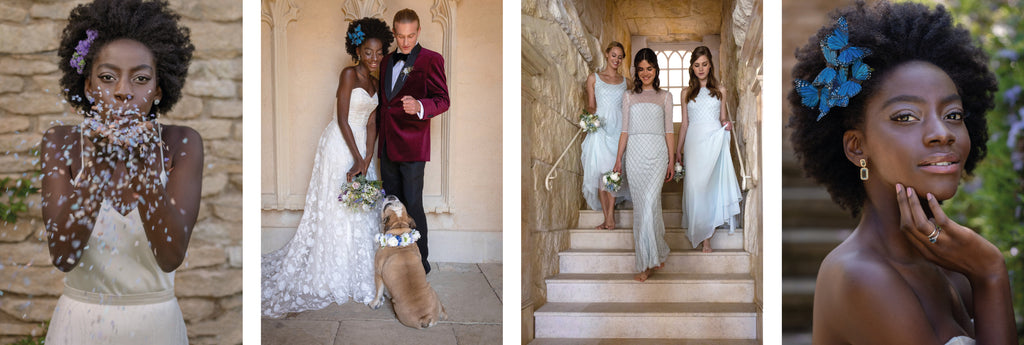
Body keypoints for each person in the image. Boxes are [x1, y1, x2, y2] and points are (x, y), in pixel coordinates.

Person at [788, 2, 1015, 344]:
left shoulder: (953, 268)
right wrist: (991, 273)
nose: (943, 132)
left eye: (954, 114)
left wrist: (984, 274)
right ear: (856, 147)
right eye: (906, 117)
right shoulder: (861, 277)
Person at [40, 0, 203, 343]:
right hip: (79, 325)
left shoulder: (181, 143)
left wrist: (142, 162)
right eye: (107, 77)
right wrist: (101, 160)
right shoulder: (61, 142)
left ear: (159, 89)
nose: (123, 91)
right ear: (87, 86)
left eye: (141, 78)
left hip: (155, 326)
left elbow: (170, 256)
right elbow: (64, 255)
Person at [261, 17, 392, 317]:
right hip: (340, 145)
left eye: (379, 53)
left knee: (360, 208)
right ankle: (333, 269)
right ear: (357, 50)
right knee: (339, 206)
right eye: (368, 52)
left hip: (363, 149)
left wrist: (368, 158)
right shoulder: (348, 75)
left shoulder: (375, 83)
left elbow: (372, 122)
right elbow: (343, 119)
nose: (373, 58)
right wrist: (356, 158)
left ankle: (355, 269)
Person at [377, 8, 450, 274]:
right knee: (391, 207)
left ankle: (422, 262)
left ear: (418, 32)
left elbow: (443, 100)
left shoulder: (432, 60)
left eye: (410, 36)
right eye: (401, 36)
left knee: (412, 205)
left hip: (412, 145)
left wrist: (420, 105)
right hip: (386, 146)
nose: (405, 42)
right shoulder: (386, 62)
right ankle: (396, 259)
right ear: (395, 34)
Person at [613, 48, 673, 282]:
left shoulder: (666, 97)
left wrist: (671, 159)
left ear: (656, 69)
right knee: (643, 207)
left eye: (649, 68)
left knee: (650, 202)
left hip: (658, 154)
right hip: (635, 154)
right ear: (636, 72)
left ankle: (653, 254)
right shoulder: (628, 96)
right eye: (641, 69)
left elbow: (669, 131)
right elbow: (624, 130)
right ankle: (646, 261)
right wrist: (618, 159)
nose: (646, 73)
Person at [675, 46, 742, 253]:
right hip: (694, 142)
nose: (701, 68)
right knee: (696, 187)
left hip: (714, 139)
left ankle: (707, 239)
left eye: (704, 64)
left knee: (710, 188)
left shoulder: (720, 90)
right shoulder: (686, 93)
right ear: (692, 68)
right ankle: (700, 230)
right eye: (697, 65)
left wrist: (727, 124)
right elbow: (685, 123)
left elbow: (722, 117)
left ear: (710, 65)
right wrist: (678, 151)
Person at [581, 41, 630, 229]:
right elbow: (591, 104)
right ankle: (607, 216)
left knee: (613, 172)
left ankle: (609, 216)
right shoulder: (593, 78)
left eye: (620, 56)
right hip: (600, 126)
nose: (616, 59)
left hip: (619, 128)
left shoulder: (627, 82)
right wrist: (590, 119)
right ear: (607, 54)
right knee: (602, 173)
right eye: (613, 55)